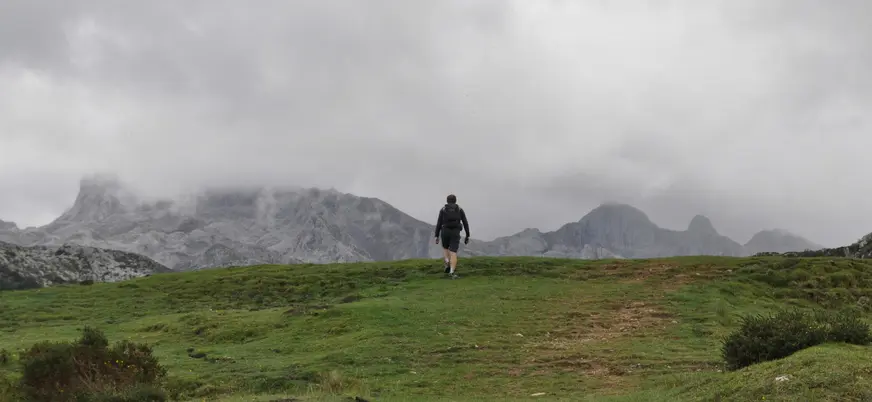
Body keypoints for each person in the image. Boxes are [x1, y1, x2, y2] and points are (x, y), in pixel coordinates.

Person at [434, 194, 470, 279]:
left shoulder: (443, 209)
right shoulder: (460, 209)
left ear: (447, 201)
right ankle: (452, 272)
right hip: (455, 232)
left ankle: (447, 263)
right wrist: (467, 235)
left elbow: (439, 222)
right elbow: (465, 222)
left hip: (445, 231)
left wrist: (436, 235)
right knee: (453, 252)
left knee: (445, 248)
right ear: (455, 200)